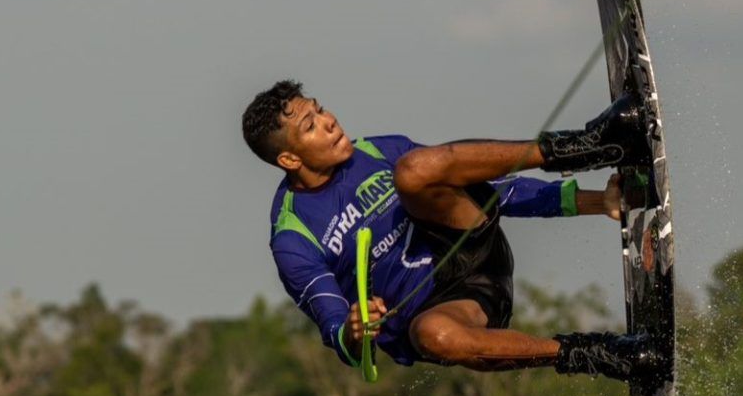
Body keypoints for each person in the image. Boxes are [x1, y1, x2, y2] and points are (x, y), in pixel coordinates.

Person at [241, 79, 666, 380]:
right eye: (310, 126)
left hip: (472, 244)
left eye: (319, 109)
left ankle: (590, 144)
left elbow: (493, 187)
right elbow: (335, 329)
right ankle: (602, 355)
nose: (329, 121)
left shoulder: (377, 151)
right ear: (290, 160)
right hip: (459, 309)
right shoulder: (293, 239)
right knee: (435, 335)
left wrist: (599, 202)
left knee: (414, 170)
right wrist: (353, 331)